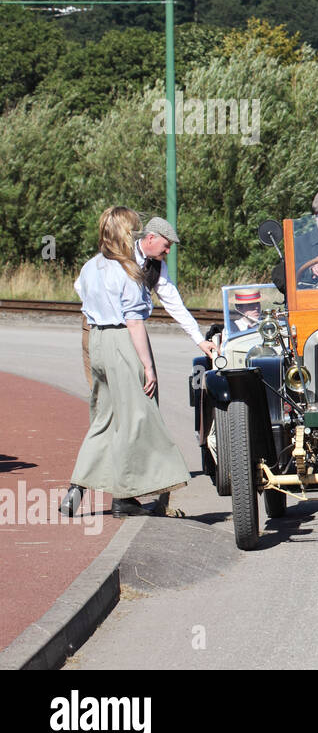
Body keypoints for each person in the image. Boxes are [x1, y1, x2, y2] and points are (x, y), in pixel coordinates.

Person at [59, 207, 191, 519]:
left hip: (97, 340)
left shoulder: (92, 266)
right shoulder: (129, 270)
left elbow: (80, 290)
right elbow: (134, 322)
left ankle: (76, 489)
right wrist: (147, 366)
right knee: (139, 417)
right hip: (120, 342)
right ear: (125, 233)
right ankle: (127, 497)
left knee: (105, 417)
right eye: (134, 229)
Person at [80, 215, 216, 387]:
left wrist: (199, 340)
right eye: (166, 246)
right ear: (151, 238)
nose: (168, 251)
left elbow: (175, 305)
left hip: (131, 329)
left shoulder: (159, 267)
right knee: (100, 389)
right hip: (97, 327)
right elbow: (85, 287)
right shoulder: (119, 254)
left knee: (140, 387)